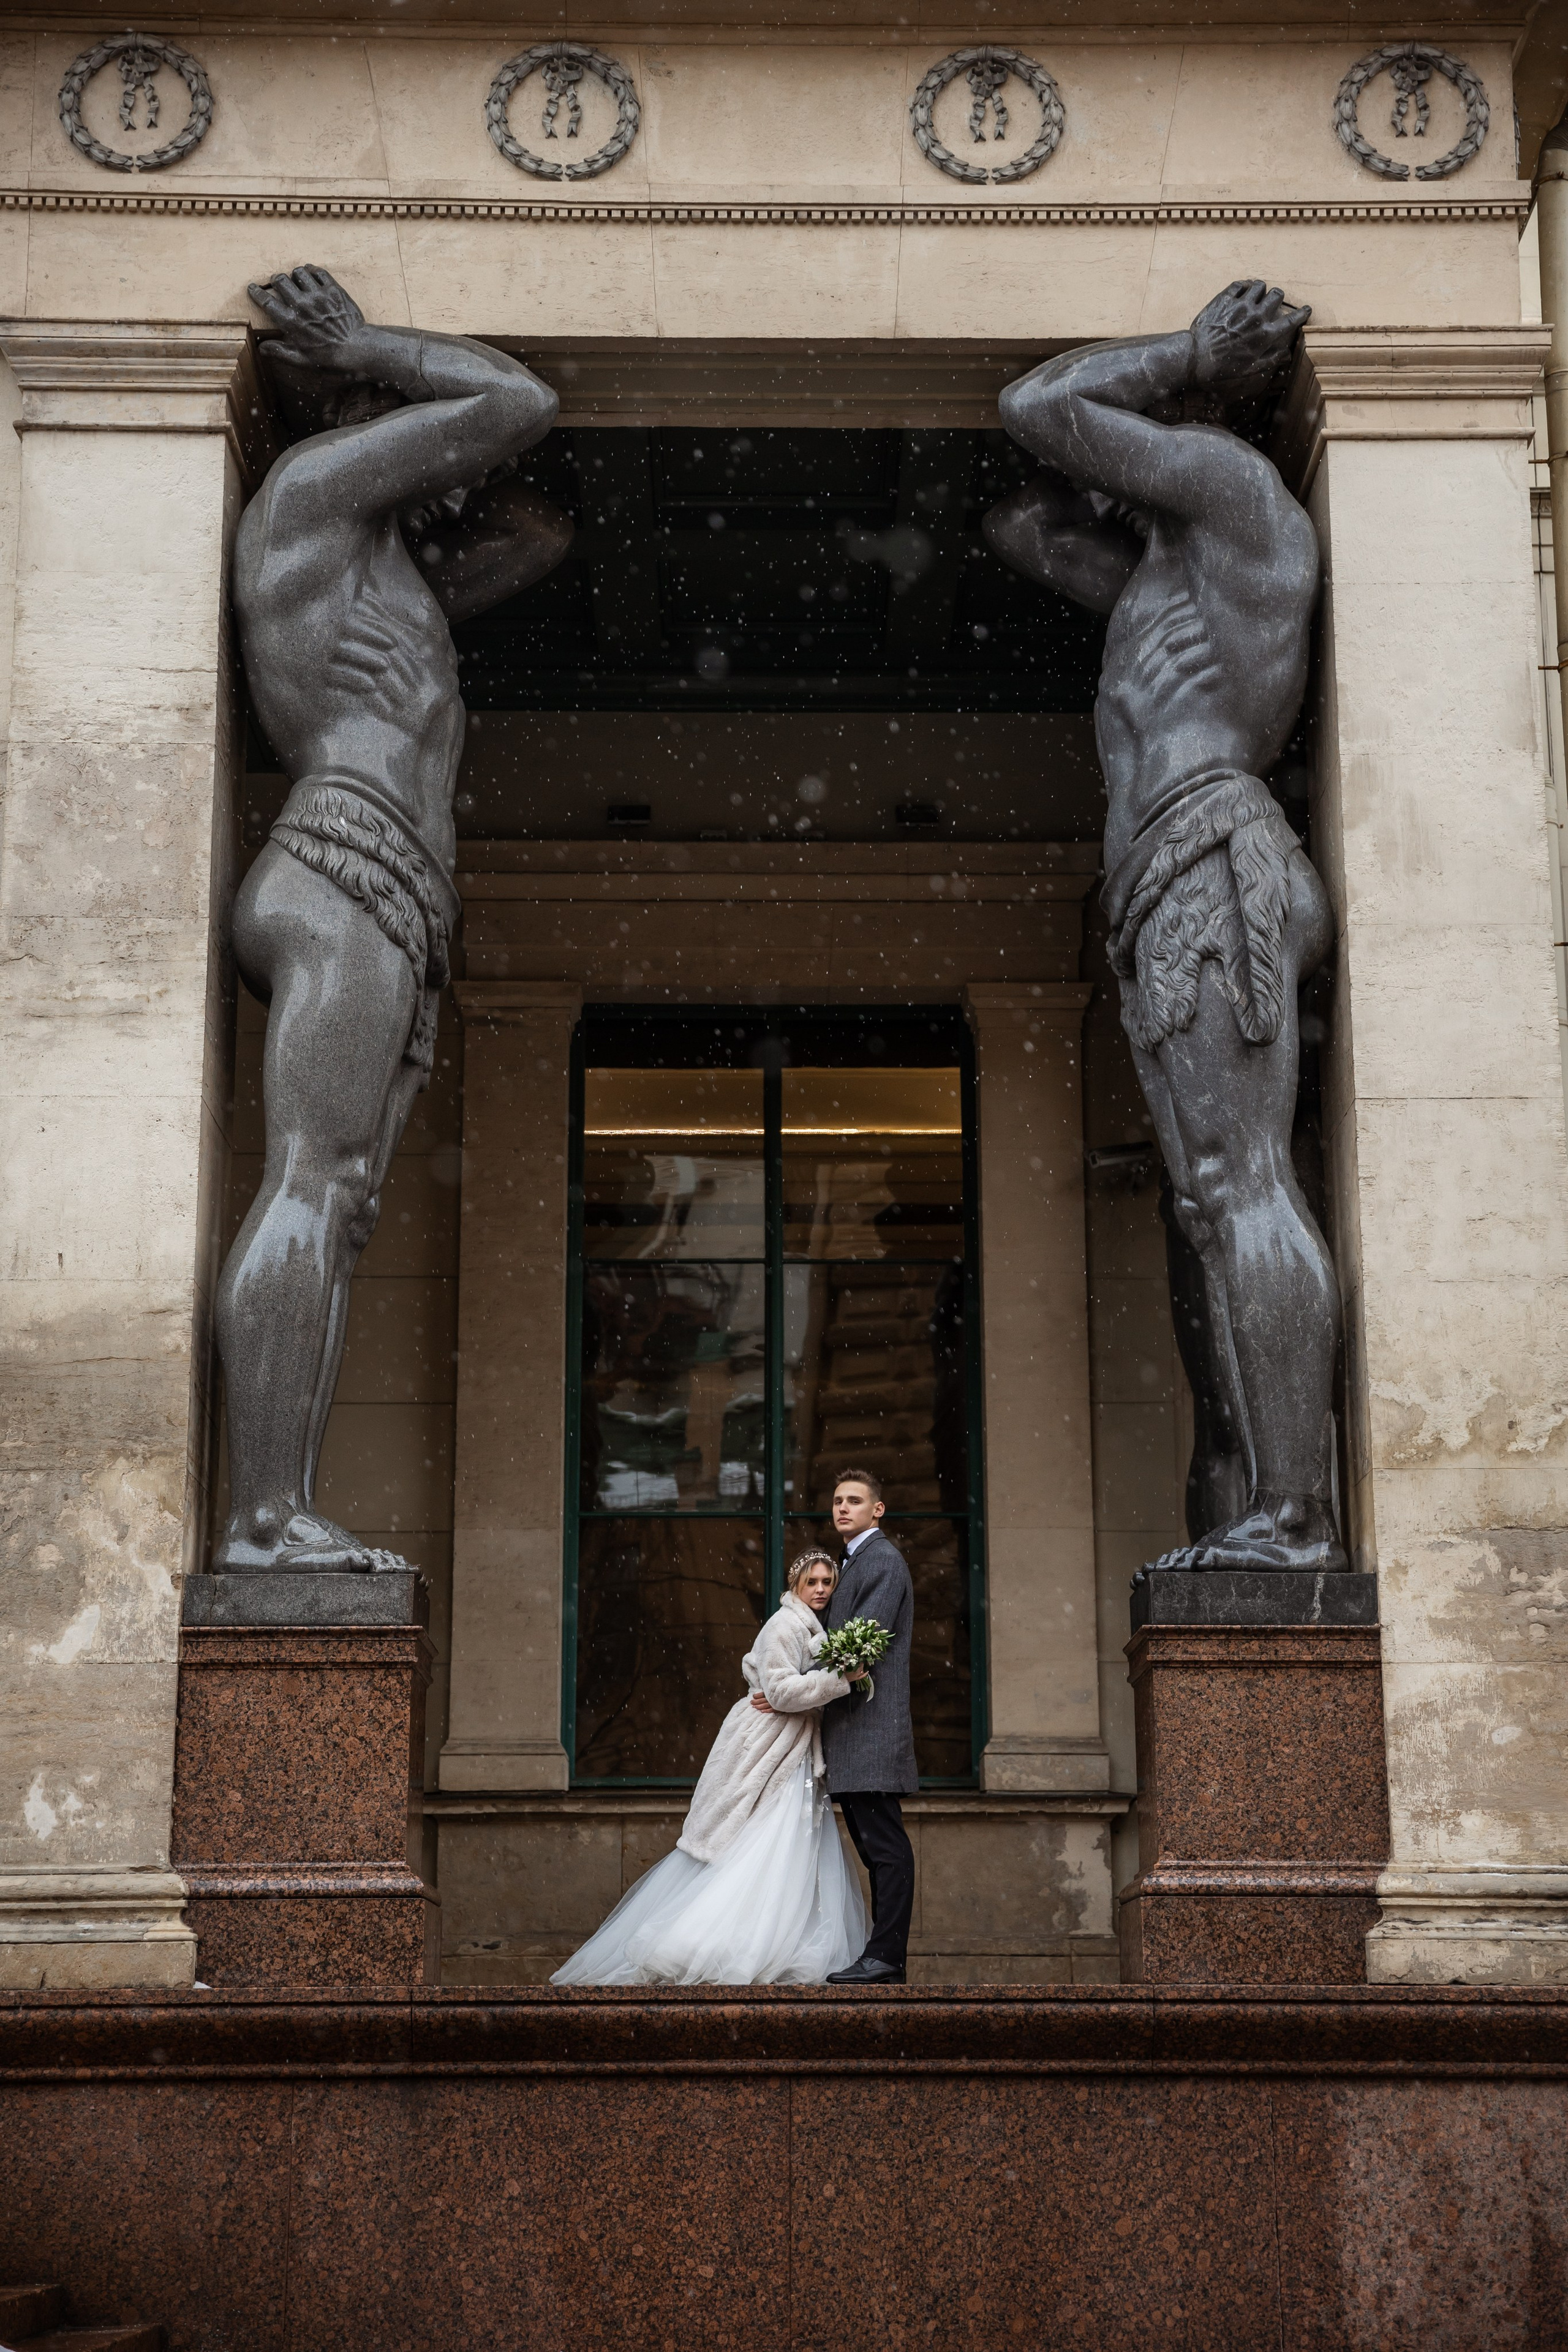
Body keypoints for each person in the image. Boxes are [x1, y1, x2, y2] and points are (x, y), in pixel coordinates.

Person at [984, 279, 1345, 1575]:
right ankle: (1265, 1496)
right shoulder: (1165, 568)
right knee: (1210, 1197)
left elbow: (1039, 407)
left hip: (1210, 852)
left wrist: (1184, 357)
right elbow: (1019, 516)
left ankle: (1295, 1514)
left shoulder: (1240, 502)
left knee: (1242, 1183)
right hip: (1168, 876)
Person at [214, 266, 571, 1575]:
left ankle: (275, 1509)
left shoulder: (377, 571)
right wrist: (368, 349)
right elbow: (511, 398)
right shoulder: (305, 501)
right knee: (313, 1180)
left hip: (388, 886)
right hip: (343, 864)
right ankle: (262, 1520)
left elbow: (537, 532)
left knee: (343, 1198)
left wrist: (424, 488)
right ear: (368, 419)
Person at [551, 1550, 867, 1985]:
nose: (819, 1590)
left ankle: (772, 1944)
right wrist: (841, 1680)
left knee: (788, 1849)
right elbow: (780, 1691)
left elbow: (782, 1690)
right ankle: (719, 1945)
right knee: (765, 1843)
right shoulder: (784, 1625)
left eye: (826, 1583)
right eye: (811, 1582)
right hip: (771, 1749)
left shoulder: (810, 1628)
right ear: (795, 1586)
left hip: (790, 1748)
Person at [818, 1468, 919, 1985]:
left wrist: (794, 1685)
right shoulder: (852, 1561)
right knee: (876, 1848)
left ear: (877, 1509)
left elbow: (859, 1646)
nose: (843, 1508)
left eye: (854, 1501)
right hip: (855, 1731)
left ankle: (886, 1958)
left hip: (872, 1729)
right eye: (838, 1500)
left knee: (886, 1848)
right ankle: (883, 1957)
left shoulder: (881, 1560)